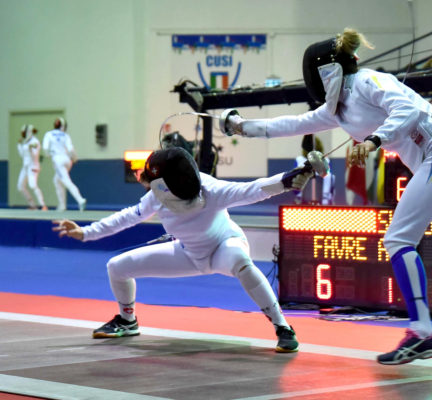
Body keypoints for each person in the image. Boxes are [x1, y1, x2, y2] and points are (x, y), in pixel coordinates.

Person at [225, 28, 432, 378]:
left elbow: (405, 106)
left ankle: (422, 332)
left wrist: (374, 141)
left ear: (325, 72)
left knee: (397, 238)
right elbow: (291, 124)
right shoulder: (336, 111)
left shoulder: (368, 81)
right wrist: (240, 127)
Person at [52, 147, 313, 352]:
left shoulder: (211, 189)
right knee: (117, 267)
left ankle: (283, 327)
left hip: (224, 246)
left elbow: (252, 189)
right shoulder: (156, 196)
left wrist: (287, 180)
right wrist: (86, 232)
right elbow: (128, 216)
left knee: (241, 262)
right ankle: (127, 321)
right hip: (189, 254)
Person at [42, 118, 87, 211]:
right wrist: (74, 159)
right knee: (57, 180)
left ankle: (80, 200)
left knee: (66, 181)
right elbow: (71, 149)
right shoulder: (66, 136)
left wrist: (48, 154)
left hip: (58, 161)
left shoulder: (49, 134)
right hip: (67, 160)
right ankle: (62, 205)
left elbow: (45, 148)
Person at [295, 134, 334, 205]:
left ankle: (325, 198)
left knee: (330, 176)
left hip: (319, 198)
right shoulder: (299, 160)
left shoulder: (325, 160)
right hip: (304, 195)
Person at [17, 124, 47, 211]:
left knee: (33, 185)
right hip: (25, 167)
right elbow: (22, 155)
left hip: (33, 166)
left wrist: (30, 149)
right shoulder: (24, 142)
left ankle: (43, 205)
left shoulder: (35, 142)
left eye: (23, 132)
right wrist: (19, 146)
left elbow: (35, 155)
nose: (22, 134)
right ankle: (32, 205)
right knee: (20, 186)